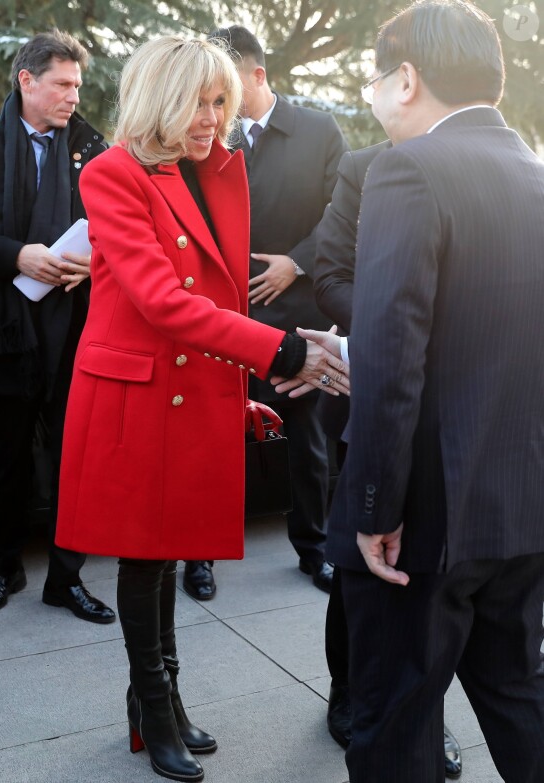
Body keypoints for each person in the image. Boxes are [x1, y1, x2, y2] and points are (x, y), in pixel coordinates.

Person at [54, 36, 348, 782]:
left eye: (221, 101)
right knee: (144, 553)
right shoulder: (114, 172)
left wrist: (236, 389)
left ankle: (160, 698)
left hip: (183, 386)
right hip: (134, 392)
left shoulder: (208, 170)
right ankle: (154, 706)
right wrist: (280, 353)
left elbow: (209, 298)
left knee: (171, 545)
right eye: (198, 102)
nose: (213, 117)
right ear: (160, 97)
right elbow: (162, 300)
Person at [276, 0, 544, 780]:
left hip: (425, 518)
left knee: (393, 720)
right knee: (517, 695)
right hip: (519, 506)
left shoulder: (408, 167)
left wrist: (373, 510)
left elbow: (392, 360)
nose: (369, 95)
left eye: (373, 78)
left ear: (406, 78)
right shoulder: (534, 173)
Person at [182, 25, 349, 602]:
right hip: (218, 315)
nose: (214, 104)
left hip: (295, 312)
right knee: (213, 434)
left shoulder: (318, 130)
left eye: (225, 88)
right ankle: (199, 556)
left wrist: (296, 263)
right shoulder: (203, 136)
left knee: (308, 439)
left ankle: (316, 548)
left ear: (255, 75)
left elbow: (345, 211)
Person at [314, 142, 461, 778]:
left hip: (461, 407)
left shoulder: (478, 162)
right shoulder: (366, 166)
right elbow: (328, 275)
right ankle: (349, 693)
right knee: (363, 564)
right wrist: (385, 323)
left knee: (433, 584)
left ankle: (421, 717)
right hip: (381, 382)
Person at [0, 30, 115, 624]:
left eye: (77, 86)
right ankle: (6, 569)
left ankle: (66, 579)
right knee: (6, 459)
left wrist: (90, 265)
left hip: (72, 331)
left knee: (73, 459)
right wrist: (17, 257)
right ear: (26, 81)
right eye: (62, 84)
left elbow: (116, 231)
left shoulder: (94, 149)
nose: (73, 97)